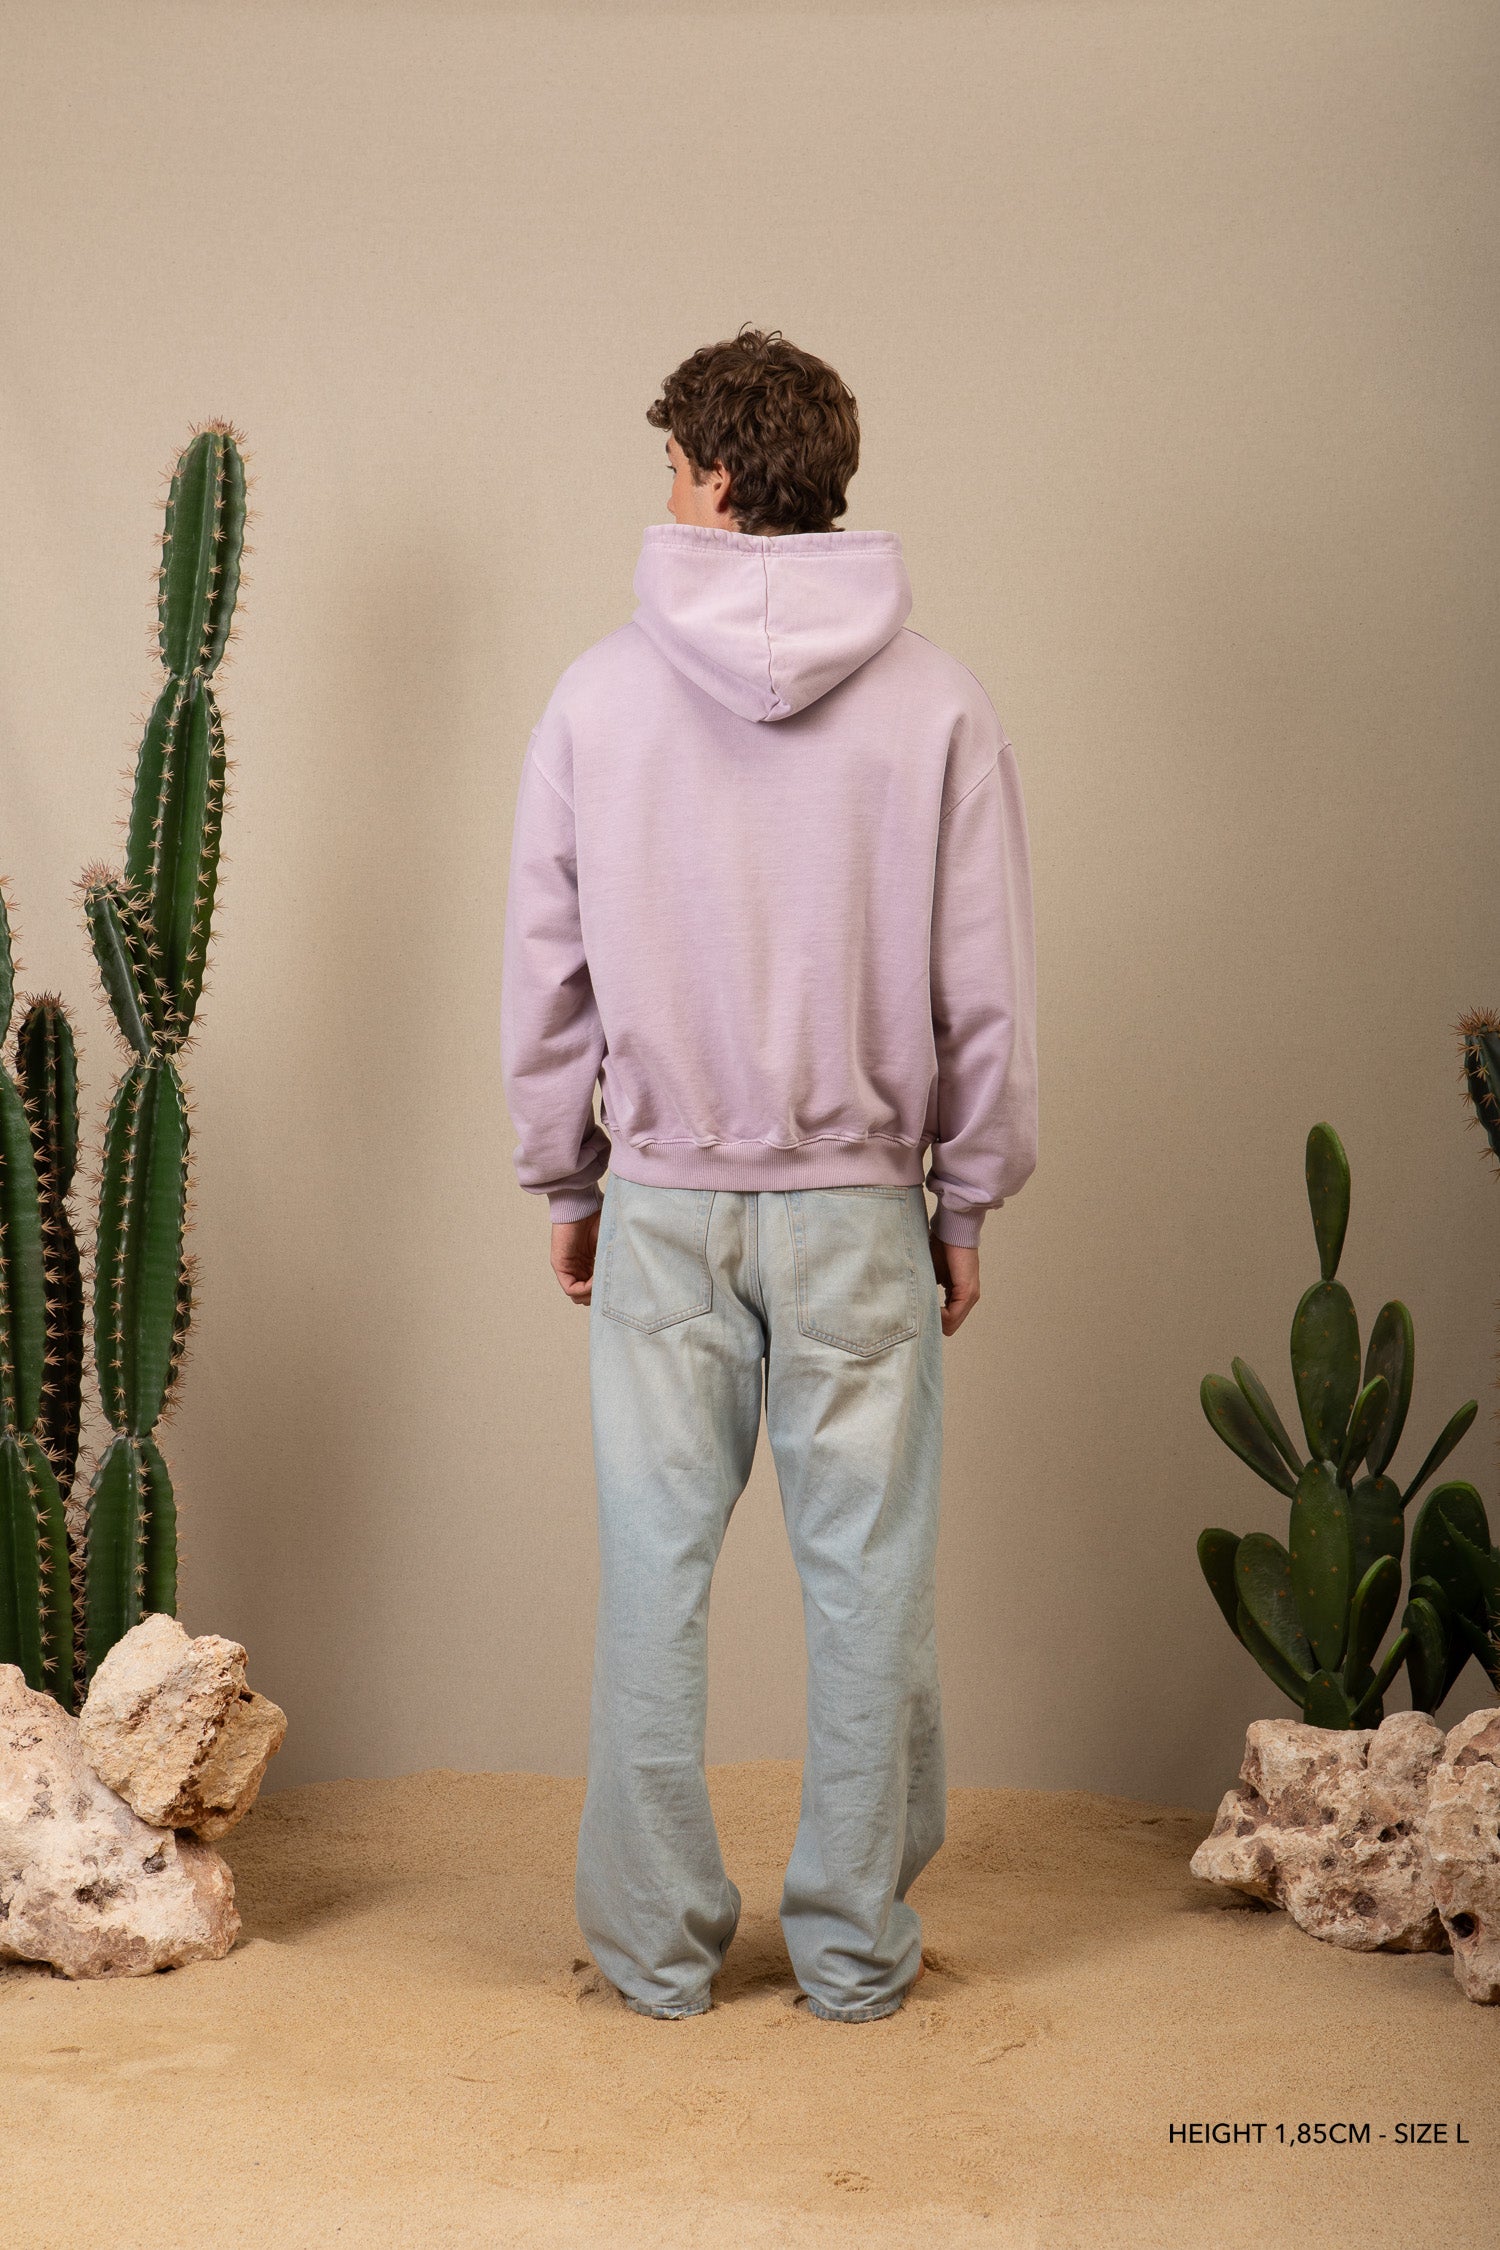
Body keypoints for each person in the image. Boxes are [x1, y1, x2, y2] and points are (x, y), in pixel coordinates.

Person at [500, 324, 1037, 2023]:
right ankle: (857, 1952)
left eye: (673, 463)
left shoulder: (596, 696)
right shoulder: (940, 703)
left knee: (653, 1582)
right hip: (862, 1206)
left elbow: (548, 974)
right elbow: (986, 986)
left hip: (665, 1200)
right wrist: (964, 1195)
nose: (663, 491)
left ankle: (655, 1950)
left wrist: (568, 1177)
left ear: (720, 477)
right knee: (871, 1584)